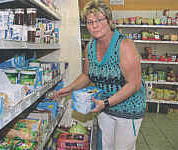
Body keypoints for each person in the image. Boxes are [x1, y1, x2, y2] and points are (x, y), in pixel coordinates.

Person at [54, 0, 146, 150]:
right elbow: (87, 75)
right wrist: (69, 88)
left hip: (128, 109)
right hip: (104, 107)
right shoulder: (90, 47)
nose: (94, 25)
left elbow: (134, 84)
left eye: (99, 20)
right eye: (90, 22)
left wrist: (107, 102)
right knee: (106, 146)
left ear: (109, 21)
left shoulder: (124, 45)